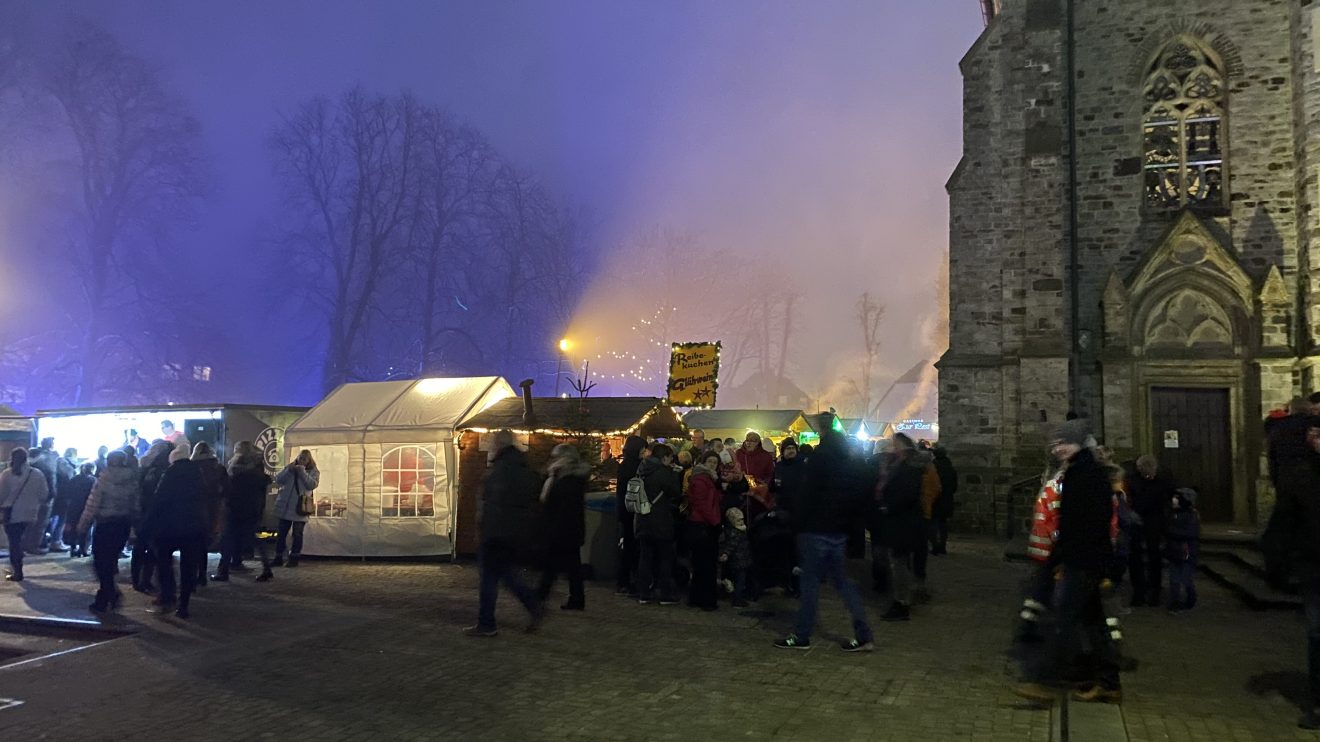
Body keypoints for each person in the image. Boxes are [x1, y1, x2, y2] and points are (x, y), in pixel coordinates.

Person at [1014, 420, 1122, 704]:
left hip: (1083, 561)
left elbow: (1085, 524)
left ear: (1078, 442)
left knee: (1062, 620)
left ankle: (1045, 682)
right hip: (1085, 559)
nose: (1058, 448)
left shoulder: (1087, 474)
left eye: (1064, 442)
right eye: (1056, 444)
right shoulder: (1078, 471)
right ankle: (1109, 683)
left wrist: (1063, 558)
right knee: (1095, 623)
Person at [774, 429, 874, 651]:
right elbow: (858, 498)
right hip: (838, 532)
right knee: (843, 583)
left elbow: (806, 495)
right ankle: (864, 634)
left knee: (809, 584)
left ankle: (802, 635)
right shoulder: (849, 466)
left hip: (814, 530)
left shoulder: (818, 463)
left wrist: (797, 524)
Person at [466, 430, 544, 637]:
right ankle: (534, 605)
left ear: (498, 446)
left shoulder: (497, 471)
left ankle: (487, 623)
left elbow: (489, 503)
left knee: (490, 579)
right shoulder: (524, 469)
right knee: (508, 575)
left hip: (495, 532)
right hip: (516, 532)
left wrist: (480, 529)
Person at [143, 444, 209, 618]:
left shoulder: (170, 474)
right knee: (188, 566)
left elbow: (159, 500)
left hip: (169, 527)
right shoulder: (198, 474)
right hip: (193, 527)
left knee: (164, 562)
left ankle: (168, 595)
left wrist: (148, 525)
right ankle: (184, 605)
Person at [876, 433, 931, 621]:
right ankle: (902, 599)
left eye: (895, 445)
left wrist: (888, 506)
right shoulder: (902, 466)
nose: (892, 448)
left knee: (899, 563)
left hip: (903, 522)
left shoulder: (908, 468)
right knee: (900, 562)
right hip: (903, 522)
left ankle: (901, 603)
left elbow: (906, 495)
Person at [77, 450, 139, 612]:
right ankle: (107, 594)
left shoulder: (104, 479)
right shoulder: (132, 480)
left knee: (100, 561)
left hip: (105, 524)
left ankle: (107, 594)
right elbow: (135, 506)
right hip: (123, 524)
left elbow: (93, 504)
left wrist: (83, 525)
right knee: (111, 560)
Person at [535, 444, 589, 611]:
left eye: (556, 457)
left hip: (562, 528)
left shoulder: (567, 481)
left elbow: (550, 501)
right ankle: (576, 598)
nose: (554, 461)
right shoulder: (573, 478)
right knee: (572, 566)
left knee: (552, 566)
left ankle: (539, 597)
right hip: (570, 528)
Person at [213, 441, 272, 582]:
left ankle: (223, 571)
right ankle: (266, 568)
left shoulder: (235, 469)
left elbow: (229, 489)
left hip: (235, 508)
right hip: (252, 509)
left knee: (227, 539)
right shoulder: (258, 469)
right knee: (254, 538)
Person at [1125, 455, 1176, 607]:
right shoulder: (1132, 480)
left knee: (1154, 557)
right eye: (1145, 472)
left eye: (1151, 472)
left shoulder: (1163, 480)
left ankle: (1154, 593)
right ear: (1139, 469)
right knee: (1136, 558)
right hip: (1137, 522)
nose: (1148, 475)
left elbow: (1169, 498)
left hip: (1154, 522)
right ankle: (1139, 593)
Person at [634, 443, 682, 605]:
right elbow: (676, 493)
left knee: (645, 557)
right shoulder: (664, 472)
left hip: (642, 518)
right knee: (665, 557)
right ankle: (665, 594)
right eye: (670, 458)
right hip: (660, 520)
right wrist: (674, 474)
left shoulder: (642, 470)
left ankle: (644, 593)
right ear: (664, 458)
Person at [0, 448, 49, 581]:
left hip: (12, 514)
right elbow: (44, 494)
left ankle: (17, 571)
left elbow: (1, 495)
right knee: (22, 542)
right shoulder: (37, 474)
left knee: (14, 543)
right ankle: (18, 566)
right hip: (31, 514)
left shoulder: (7, 474)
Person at [685, 451, 723, 611]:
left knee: (702, 564)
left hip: (703, 524)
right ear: (704, 462)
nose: (712, 465)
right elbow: (701, 504)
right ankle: (706, 600)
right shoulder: (701, 479)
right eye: (710, 462)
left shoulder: (709, 478)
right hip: (703, 525)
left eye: (715, 462)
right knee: (706, 565)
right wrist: (715, 522)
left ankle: (697, 597)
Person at [132, 440, 172, 593]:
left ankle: (138, 580)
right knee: (153, 549)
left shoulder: (143, 466)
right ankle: (146, 580)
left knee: (140, 547)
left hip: (141, 512)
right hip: (155, 513)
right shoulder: (162, 469)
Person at [191, 442, 230, 586]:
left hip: (195, 510)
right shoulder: (218, 468)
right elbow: (226, 490)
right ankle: (202, 575)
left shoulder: (192, 468)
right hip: (213, 509)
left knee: (193, 545)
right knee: (204, 544)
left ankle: (193, 575)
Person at [272, 451, 318, 567]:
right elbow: (278, 480)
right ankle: (278, 557)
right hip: (286, 506)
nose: (301, 460)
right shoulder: (289, 468)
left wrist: (302, 472)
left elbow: (311, 485)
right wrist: (288, 471)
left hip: (300, 507)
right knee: (281, 533)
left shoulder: (313, 471)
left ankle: (294, 558)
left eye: (304, 459)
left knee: (297, 534)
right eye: (300, 458)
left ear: (309, 460)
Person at [614, 435, 646, 596]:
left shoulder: (624, 465)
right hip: (632, 512)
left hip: (624, 511)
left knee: (628, 546)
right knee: (632, 548)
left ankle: (624, 581)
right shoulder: (636, 467)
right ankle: (629, 581)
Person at [1165, 488, 1200, 613]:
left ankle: (1189, 599)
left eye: (1177, 498)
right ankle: (1175, 601)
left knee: (1185, 578)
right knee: (1174, 579)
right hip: (1174, 550)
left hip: (1185, 550)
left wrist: (1171, 532)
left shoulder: (1191, 515)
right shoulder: (1173, 513)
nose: (1174, 500)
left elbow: (1190, 533)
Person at [23, 439, 58, 554]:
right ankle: (34, 546)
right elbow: (51, 476)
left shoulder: (31, 456)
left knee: (28, 521)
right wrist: (52, 493)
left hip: (28, 494)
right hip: (44, 495)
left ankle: (24, 544)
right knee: (41, 522)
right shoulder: (48, 458)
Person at [720, 506, 753, 607]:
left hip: (738, 559)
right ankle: (738, 600)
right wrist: (726, 553)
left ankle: (735, 595)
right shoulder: (737, 532)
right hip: (740, 560)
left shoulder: (731, 531)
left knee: (738, 580)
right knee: (740, 581)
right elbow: (731, 545)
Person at [63, 463, 97, 558]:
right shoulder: (93, 480)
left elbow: (67, 492)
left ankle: (73, 547)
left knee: (73, 527)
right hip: (86, 506)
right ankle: (83, 549)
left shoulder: (74, 479)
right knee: (86, 528)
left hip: (74, 506)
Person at [930, 445, 958, 555]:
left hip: (934, 499)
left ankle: (935, 546)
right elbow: (954, 487)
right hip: (946, 499)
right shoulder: (951, 468)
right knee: (943, 524)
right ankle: (943, 546)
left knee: (933, 524)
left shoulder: (932, 468)